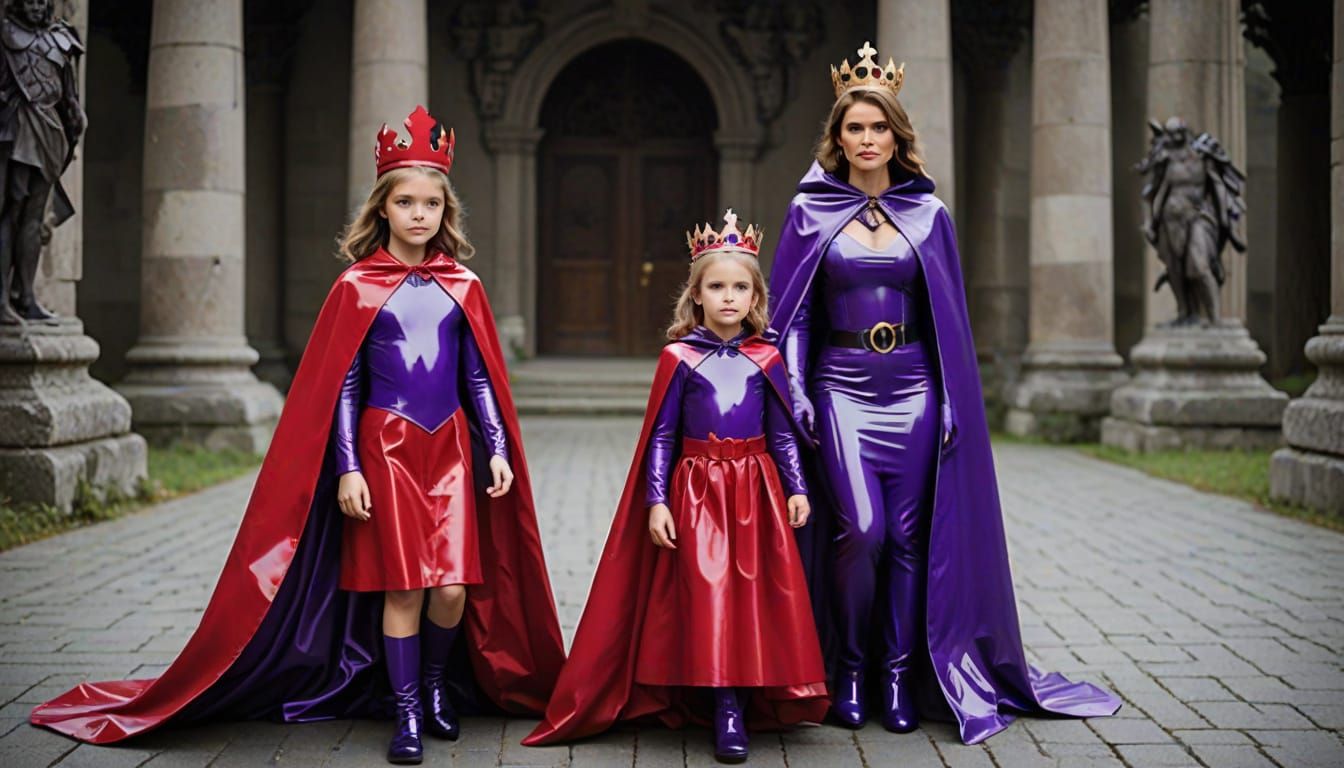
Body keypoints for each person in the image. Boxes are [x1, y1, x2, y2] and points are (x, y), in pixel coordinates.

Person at [30, 106, 565, 765]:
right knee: (404, 586)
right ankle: (404, 717)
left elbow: (481, 378)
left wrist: (501, 447)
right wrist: (347, 467)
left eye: (431, 203)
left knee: (451, 587)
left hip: (452, 449)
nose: (419, 215)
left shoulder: (465, 286)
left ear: (444, 211)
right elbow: (342, 384)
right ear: (384, 208)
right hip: (385, 449)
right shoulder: (356, 287)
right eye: (406, 202)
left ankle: (432, 690)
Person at [766, 43, 1121, 743]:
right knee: (858, 530)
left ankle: (898, 676)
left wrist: (955, 397)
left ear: (898, 135)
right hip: (839, 387)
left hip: (916, 389)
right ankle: (850, 669)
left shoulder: (929, 216)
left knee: (905, 539)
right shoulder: (809, 212)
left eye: (879, 128)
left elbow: (945, 321)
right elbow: (795, 313)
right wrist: (798, 389)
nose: (867, 140)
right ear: (836, 139)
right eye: (854, 129)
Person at [524, 210, 828, 763]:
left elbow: (783, 433)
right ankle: (721, 705)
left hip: (755, 489)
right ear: (696, 295)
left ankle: (746, 692)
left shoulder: (768, 358)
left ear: (756, 296)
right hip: (698, 492)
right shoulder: (678, 357)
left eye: (741, 287)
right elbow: (660, 437)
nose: (729, 297)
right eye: (717, 287)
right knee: (709, 593)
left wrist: (796, 487)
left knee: (750, 597)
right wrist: (657, 500)